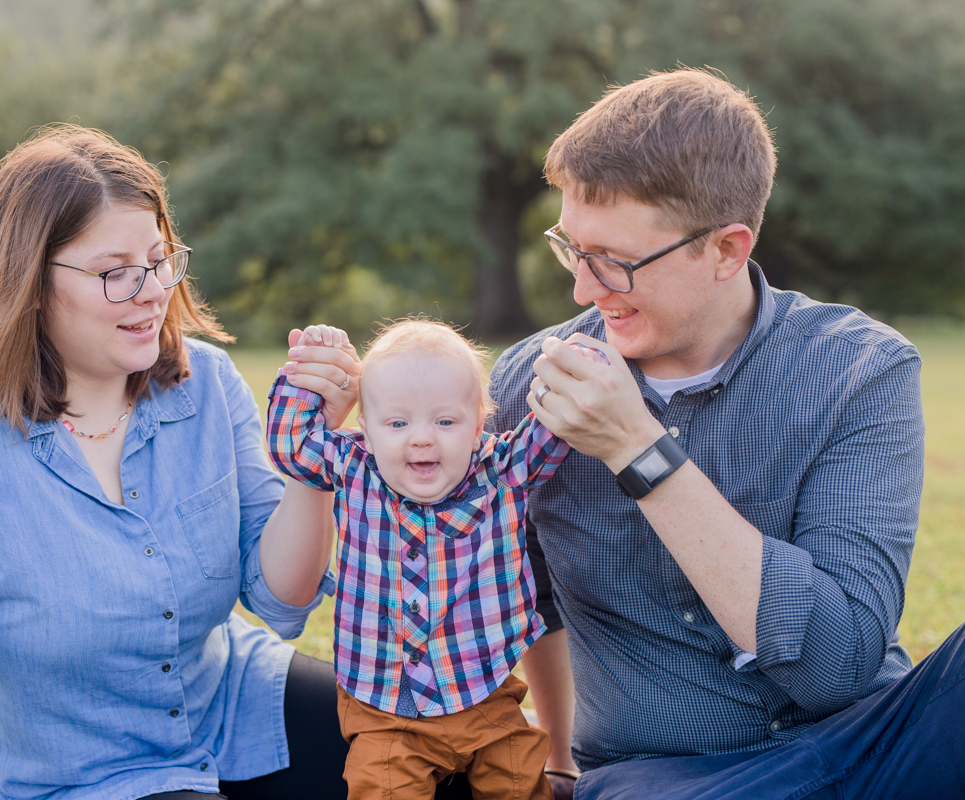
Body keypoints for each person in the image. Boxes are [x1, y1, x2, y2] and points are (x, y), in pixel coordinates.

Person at [0, 125, 365, 800]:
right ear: (29, 279)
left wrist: (309, 458)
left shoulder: (207, 383)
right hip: (71, 776)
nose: (151, 292)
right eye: (115, 272)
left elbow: (280, 596)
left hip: (227, 710)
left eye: (160, 259)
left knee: (447, 765)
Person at [490, 69, 965, 799]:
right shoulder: (528, 386)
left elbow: (837, 666)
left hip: (873, 743)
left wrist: (638, 451)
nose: (583, 290)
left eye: (614, 263)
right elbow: (522, 604)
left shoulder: (861, 369)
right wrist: (556, 766)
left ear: (726, 249)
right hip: (665, 778)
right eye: (571, 250)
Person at [266, 319, 605, 800]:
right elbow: (291, 447)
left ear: (477, 423)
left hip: (483, 695)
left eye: (445, 422)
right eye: (397, 423)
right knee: (382, 788)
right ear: (366, 428)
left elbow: (553, 431)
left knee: (518, 780)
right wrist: (303, 379)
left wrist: (577, 370)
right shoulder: (354, 468)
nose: (421, 438)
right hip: (386, 710)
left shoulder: (498, 469)